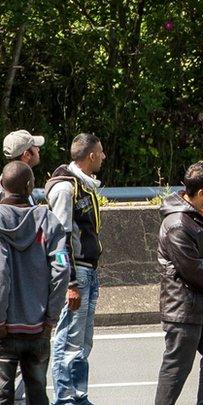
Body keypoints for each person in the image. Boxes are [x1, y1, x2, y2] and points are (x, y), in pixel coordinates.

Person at [154, 162, 203, 405]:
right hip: (184, 307)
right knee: (177, 369)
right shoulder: (178, 223)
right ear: (201, 193)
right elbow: (192, 269)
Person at [0, 161, 68, 405]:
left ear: (2, 186)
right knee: (38, 392)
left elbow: (2, 273)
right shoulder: (48, 220)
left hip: (4, 329)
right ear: (30, 187)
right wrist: (51, 317)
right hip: (38, 327)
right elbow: (62, 268)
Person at [45, 133, 106, 405]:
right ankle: (65, 399)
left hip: (89, 270)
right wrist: (68, 282)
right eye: (101, 152)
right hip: (76, 273)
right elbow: (59, 239)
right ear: (91, 155)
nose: (104, 157)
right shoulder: (65, 188)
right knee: (68, 339)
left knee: (83, 342)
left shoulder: (85, 185)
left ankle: (79, 395)